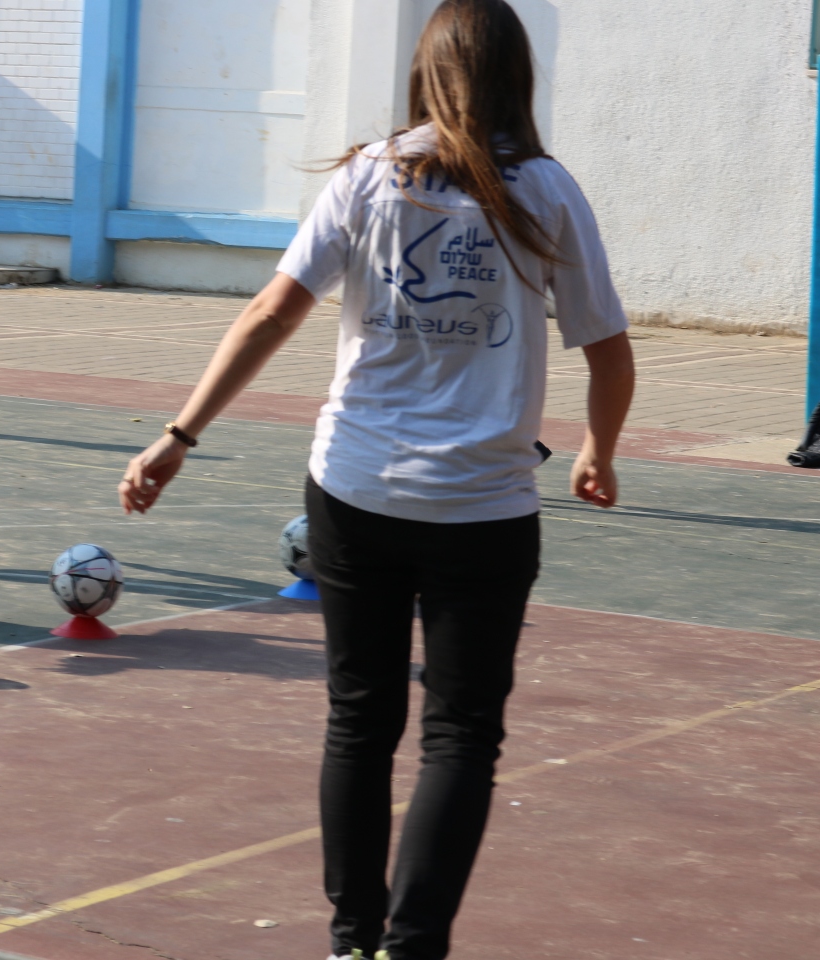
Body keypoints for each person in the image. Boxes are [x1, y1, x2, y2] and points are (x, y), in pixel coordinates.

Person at [116, 2, 635, 958]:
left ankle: (352, 937)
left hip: (355, 490)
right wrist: (600, 448)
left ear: (426, 71)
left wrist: (179, 433)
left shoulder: (370, 175)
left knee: (360, 718)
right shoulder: (548, 191)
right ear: (519, 76)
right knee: (461, 734)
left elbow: (275, 311)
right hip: (482, 504)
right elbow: (608, 348)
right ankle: (411, 944)